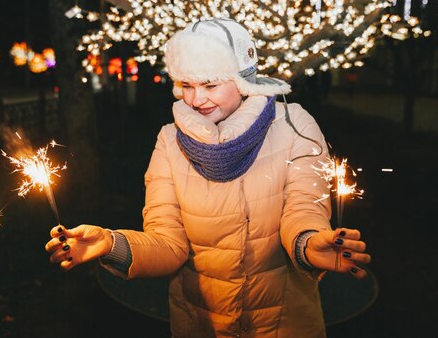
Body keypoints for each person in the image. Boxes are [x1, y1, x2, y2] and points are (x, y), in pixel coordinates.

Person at [45, 19, 371, 338]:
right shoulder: (169, 141)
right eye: (187, 85)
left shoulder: (295, 126)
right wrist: (111, 244)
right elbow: (168, 242)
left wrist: (309, 244)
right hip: (198, 322)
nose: (196, 99)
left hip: (285, 322)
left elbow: (304, 209)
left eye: (211, 84)